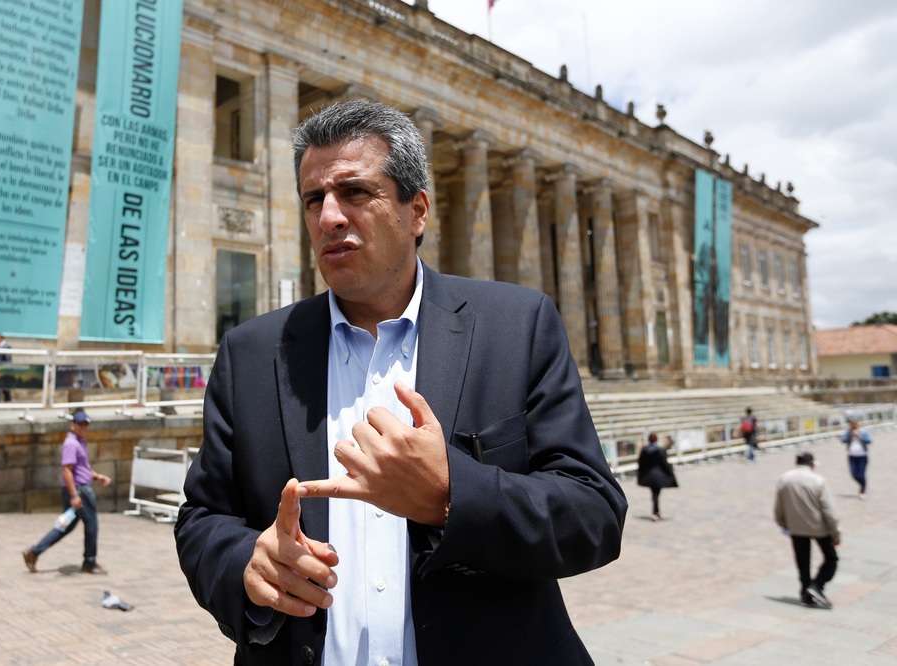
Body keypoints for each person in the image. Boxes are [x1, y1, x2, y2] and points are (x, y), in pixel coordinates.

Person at [175, 100, 628, 665]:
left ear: (417, 212)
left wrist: (450, 496)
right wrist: (246, 563)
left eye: (355, 193)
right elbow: (201, 517)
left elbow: (594, 514)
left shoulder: (516, 327)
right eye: (314, 199)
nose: (329, 217)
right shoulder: (252, 354)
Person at [22, 410, 111, 574]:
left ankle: (34, 551)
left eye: (86, 424)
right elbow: (67, 470)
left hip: (78, 487)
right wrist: (74, 494)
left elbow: (82, 468)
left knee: (66, 525)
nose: (84, 427)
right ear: (73, 425)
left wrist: (97, 476)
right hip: (80, 490)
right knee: (92, 524)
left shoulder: (79, 442)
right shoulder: (71, 443)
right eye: (80, 424)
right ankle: (89, 562)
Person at [774, 451, 840, 609]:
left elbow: (779, 505)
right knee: (831, 558)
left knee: (802, 561)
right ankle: (816, 586)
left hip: (796, 527)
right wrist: (836, 532)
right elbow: (829, 510)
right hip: (819, 527)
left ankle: (806, 593)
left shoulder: (784, 479)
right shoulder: (818, 480)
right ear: (811, 464)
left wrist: (782, 523)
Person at [637, 433, 677, 522]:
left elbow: (641, 463)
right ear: (656, 440)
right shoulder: (660, 450)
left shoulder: (644, 450)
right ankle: (655, 512)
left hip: (649, 476)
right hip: (658, 476)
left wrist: (641, 474)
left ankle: (656, 511)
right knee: (656, 494)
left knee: (654, 494)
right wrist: (670, 473)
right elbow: (665, 464)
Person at [841, 418, 871, 499]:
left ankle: (863, 490)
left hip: (862, 455)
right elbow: (843, 440)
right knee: (854, 474)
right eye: (852, 424)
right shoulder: (848, 432)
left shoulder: (863, 431)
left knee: (861, 474)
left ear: (858, 424)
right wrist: (850, 436)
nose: (854, 425)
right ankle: (862, 485)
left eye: (855, 424)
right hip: (852, 455)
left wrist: (859, 436)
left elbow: (869, 440)